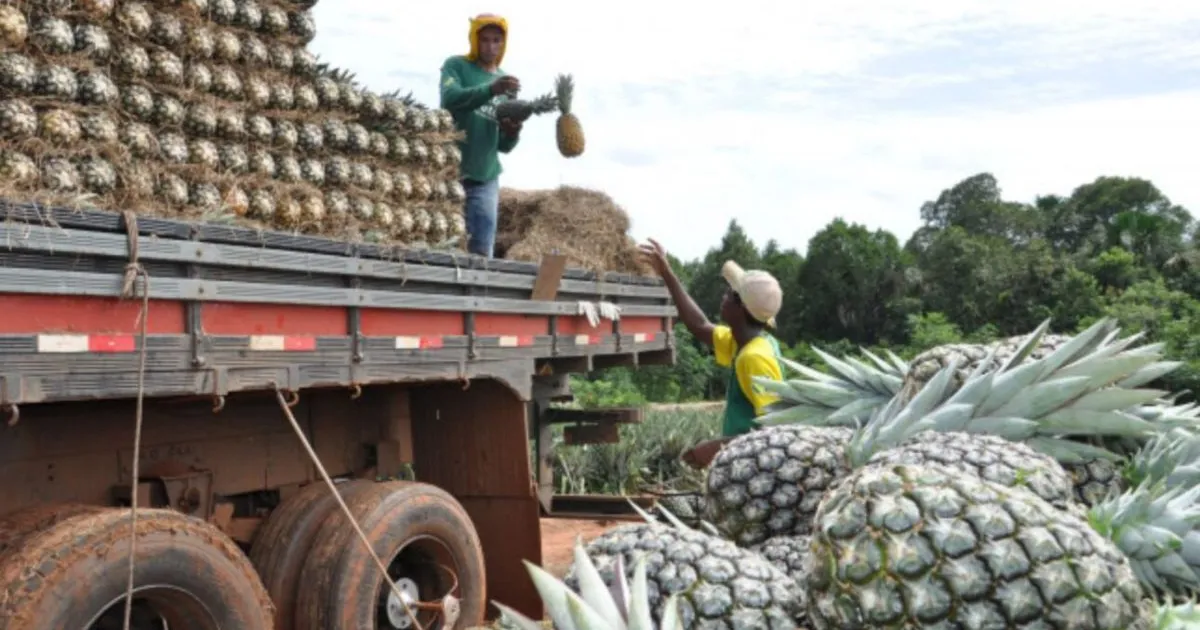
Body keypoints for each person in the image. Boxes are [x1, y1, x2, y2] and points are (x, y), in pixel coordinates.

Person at [638, 239, 785, 469]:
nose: (722, 298)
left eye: (728, 294)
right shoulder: (745, 341)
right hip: (743, 462)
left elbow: (775, 431)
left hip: (756, 468)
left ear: (741, 308)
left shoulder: (754, 357)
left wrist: (715, 448)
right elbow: (699, 325)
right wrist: (667, 273)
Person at [439, 14, 523, 258]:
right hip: (449, 172)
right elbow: (450, 99)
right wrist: (490, 89)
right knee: (441, 244)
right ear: (474, 40)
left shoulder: (507, 85)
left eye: (496, 40)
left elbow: (504, 146)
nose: (490, 46)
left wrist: (512, 133)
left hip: (485, 178)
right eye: (484, 40)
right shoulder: (456, 66)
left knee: (480, 251)